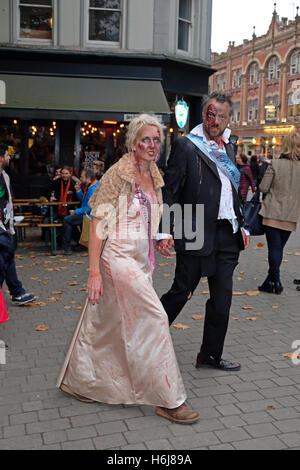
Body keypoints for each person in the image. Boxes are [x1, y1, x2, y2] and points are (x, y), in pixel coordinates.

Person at [56, 114, 199, 425]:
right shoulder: (118, 175)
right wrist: (94, 272)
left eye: (156, 140)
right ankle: (170, 399)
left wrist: (159, 239)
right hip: (117, 259)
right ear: (133, 143)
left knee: (107, 324)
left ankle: (81, 380)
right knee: (156, 318)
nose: (151, 145)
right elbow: (98, 225)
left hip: (141, 261)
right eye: (145, 139)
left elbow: (149, 217)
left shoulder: (154, 175)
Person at [156, 92, 250, 372]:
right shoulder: (186, 146)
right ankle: (142, 338)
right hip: (192, 227)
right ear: (204, 116)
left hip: (227, 235)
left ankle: (209, 355)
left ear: (228, 118)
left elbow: (233, 193)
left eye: (222, 116)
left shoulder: (230, 145)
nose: (216, 120)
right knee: (181, 293)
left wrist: (242, 223)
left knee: (222, 301)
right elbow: (170, 191)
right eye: (211, 114)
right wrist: (164, 231)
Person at [258, 133, 300, 295]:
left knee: (274, 249)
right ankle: (269, 281)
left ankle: (276, 281)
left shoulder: (275, 163)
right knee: (279, 249)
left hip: (272, 212)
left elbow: (263, 187)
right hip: (291, 214)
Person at [0, 144, 35, 306]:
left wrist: (9, 224)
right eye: (7, 155)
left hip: (5, 224)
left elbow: (7, 201)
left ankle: (17, 291)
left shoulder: (5, 176)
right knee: (6, 255)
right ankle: (17, 291)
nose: (9, 158)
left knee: (7, 256)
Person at [53, 168, 99, 255]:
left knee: (67, 219)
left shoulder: (93, 189)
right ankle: (80, 243)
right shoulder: (91, 185)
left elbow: (90, 207)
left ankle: (66, 248)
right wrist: (78, 191)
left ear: (88, 179)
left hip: (90, 216)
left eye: (82, 177)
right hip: (88, 214)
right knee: (70, 220)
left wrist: (76, 211)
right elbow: (84, 200)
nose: (80, 179)